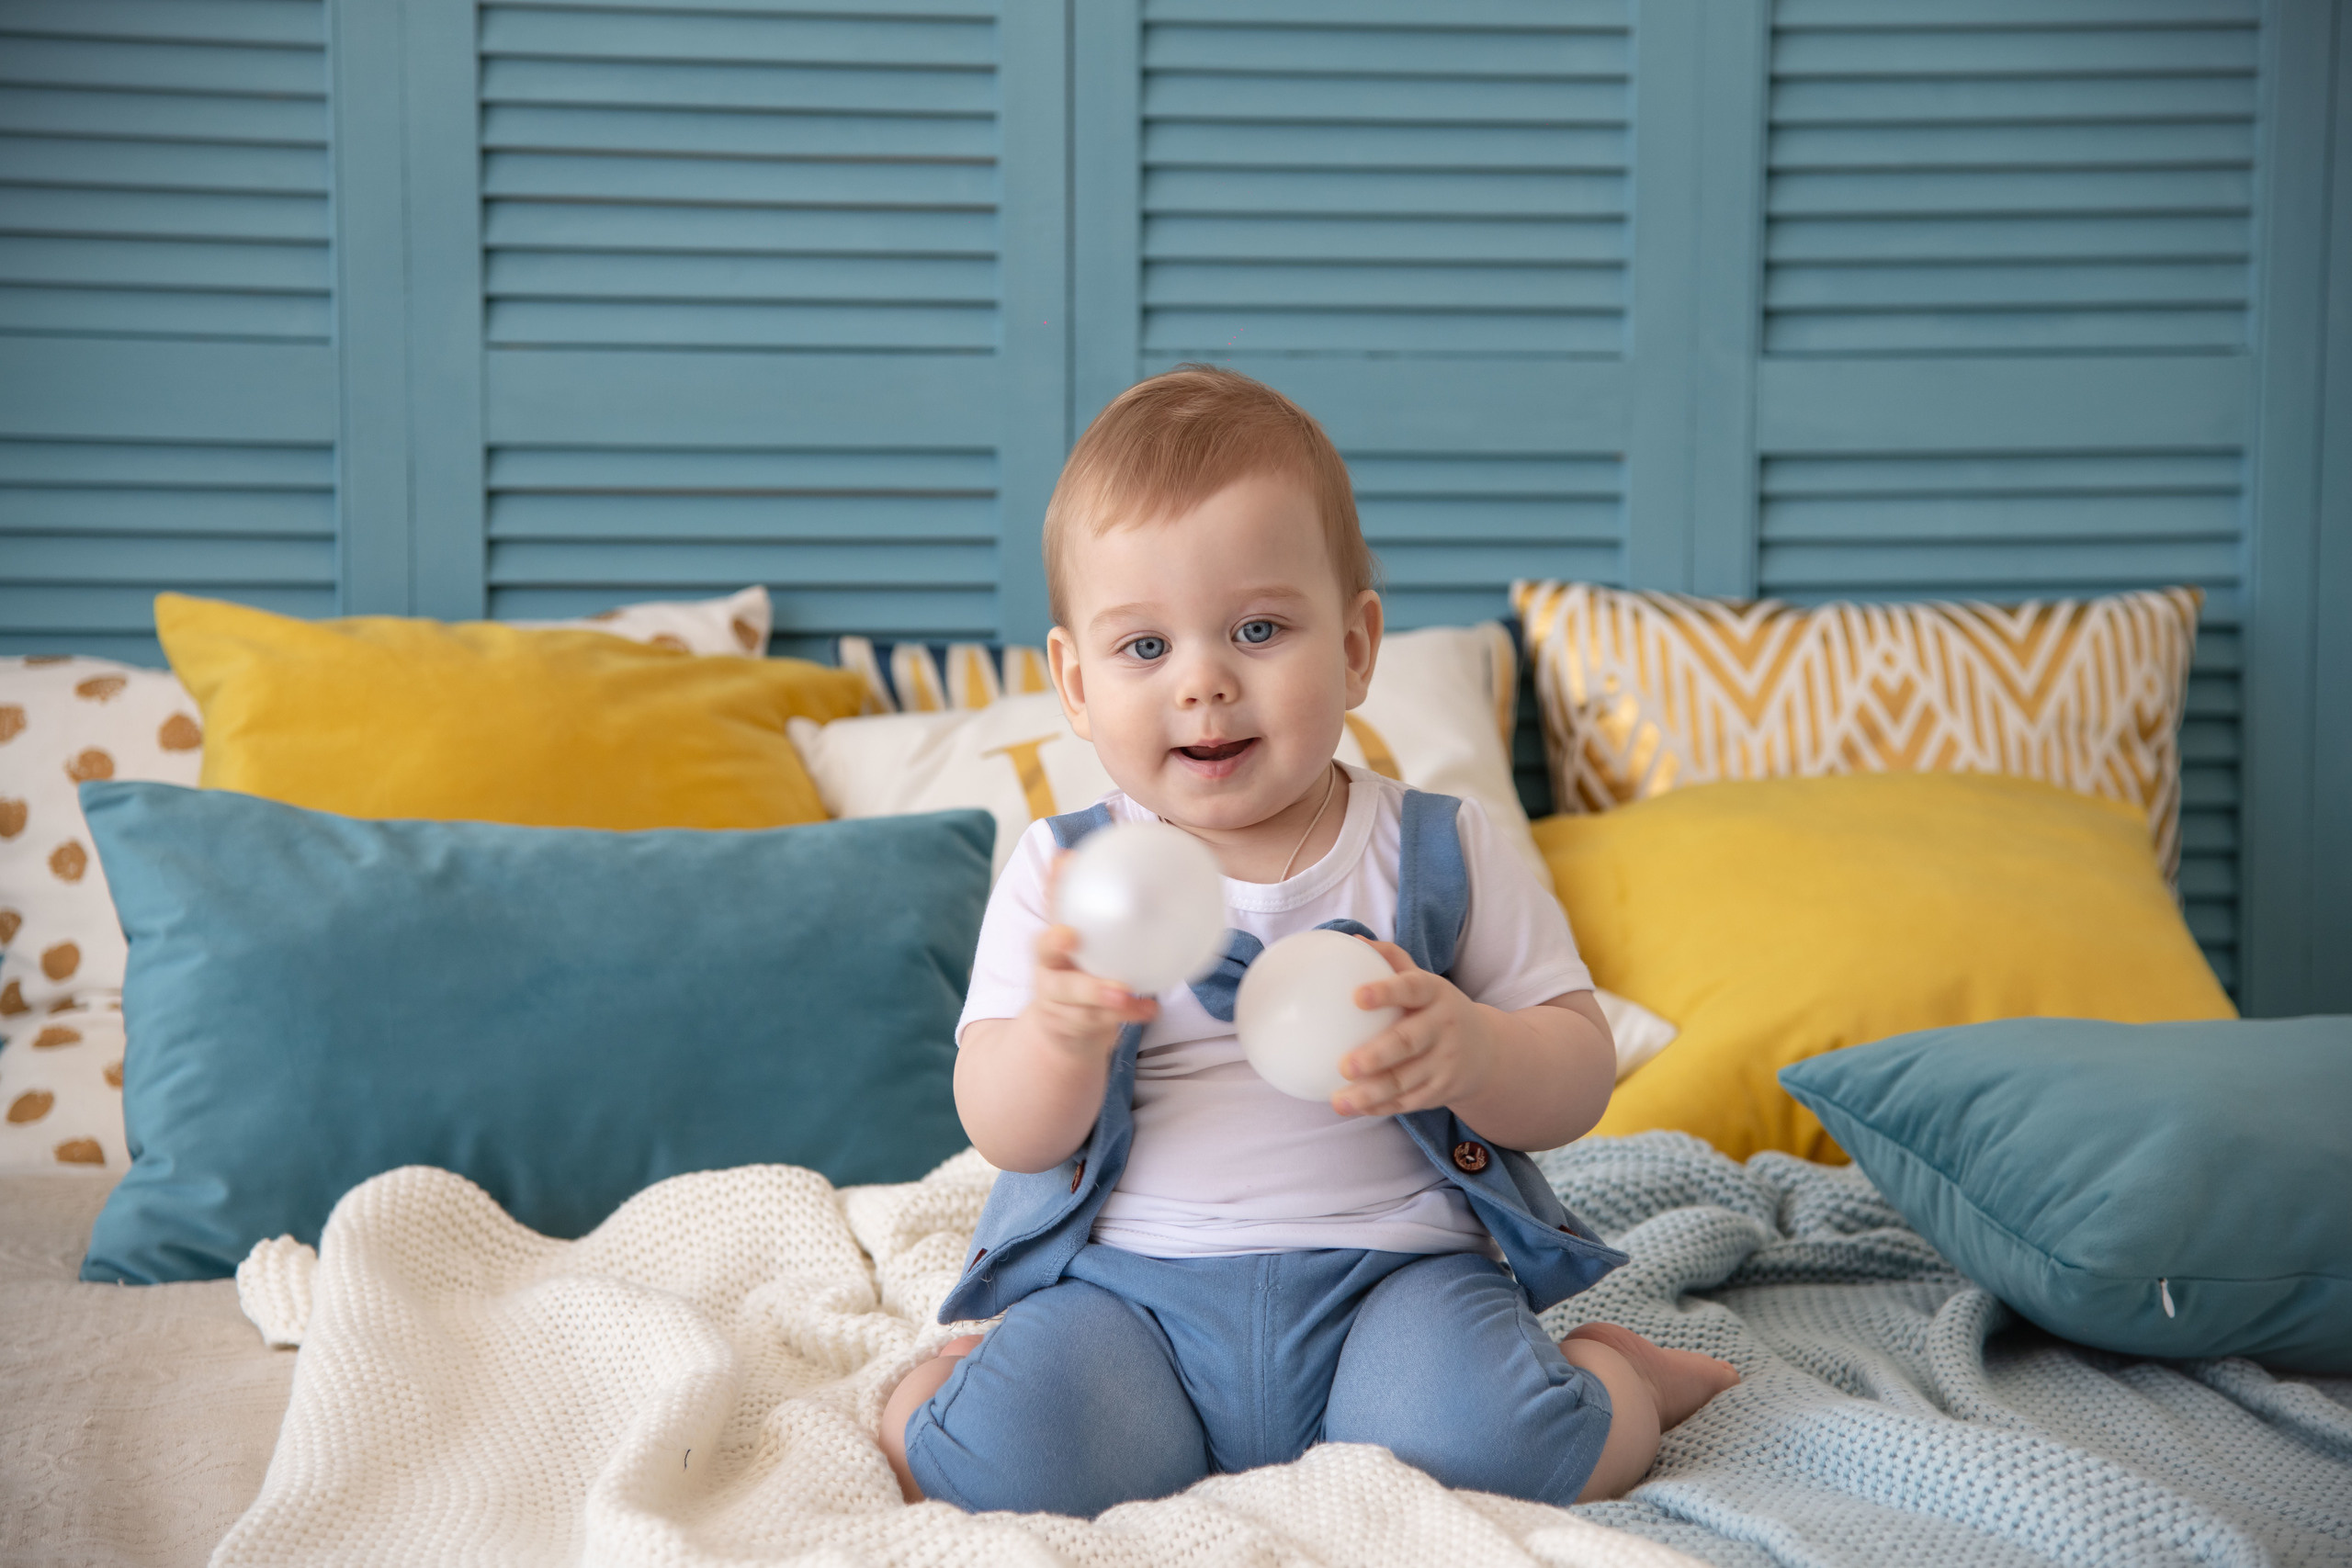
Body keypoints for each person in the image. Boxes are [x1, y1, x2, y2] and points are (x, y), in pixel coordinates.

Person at [880, 365, 1737, 1516]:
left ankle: (1616, 1378)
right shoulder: (1069, 875)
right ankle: (933, 1393)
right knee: (1003, 1467)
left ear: (1355, 647)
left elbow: (1576, 1071)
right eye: (1145, 650)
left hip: (1397, 1280)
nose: (1205, 684)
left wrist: (1477, 1053)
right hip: (1130, 1292)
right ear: (1073, 684)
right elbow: (1002, 1126)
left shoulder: (1437, 850)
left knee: (1501, 1452)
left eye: (1258, 628)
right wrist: (1057, 1037)